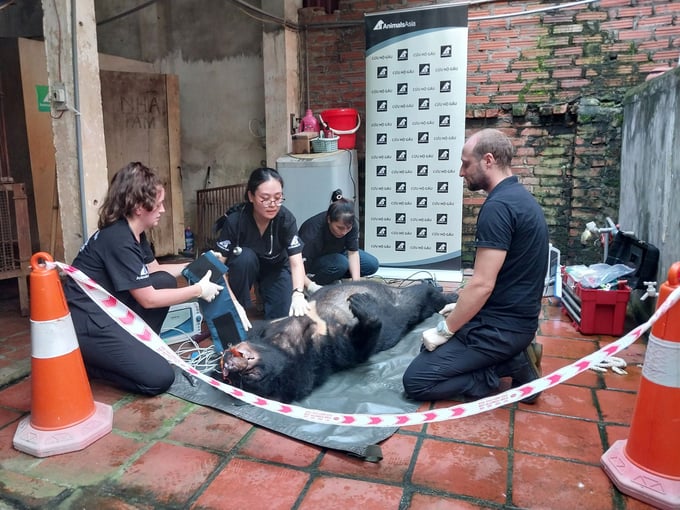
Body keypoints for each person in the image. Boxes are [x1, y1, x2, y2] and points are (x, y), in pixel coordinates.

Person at [402, 128, 549, 403]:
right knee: (428, 350)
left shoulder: (499, 207)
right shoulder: (521, 199)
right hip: (514, 322)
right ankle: (510, 357)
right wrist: (459, 308)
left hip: (501, 330)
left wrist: (445, 330)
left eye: (466, 163)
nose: (461, 172)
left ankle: (510, 364)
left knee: (417, 381)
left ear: (488, 160)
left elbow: (482, 284)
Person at [64, 162, 224, 396]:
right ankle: (91, 366)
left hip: (109, 310)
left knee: (163, 281)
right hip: (89, 322)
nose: (162, 210)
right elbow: (148, 299)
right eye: (158, 204)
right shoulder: (118, 238)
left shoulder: (135, 233)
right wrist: (198, 290)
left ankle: (139, 349)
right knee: (160, 378)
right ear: (139, 206)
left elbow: (155, 271)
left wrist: (198, 264)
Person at [214, 167, 309, 319]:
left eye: (278, 198)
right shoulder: (236, 221)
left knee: (282, 317)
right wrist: (232, 303)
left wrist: (298, 293)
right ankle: (237, 310)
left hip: (275, 268)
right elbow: (218, 266)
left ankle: (265, 293)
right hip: (245, 268)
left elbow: (296, 262)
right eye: (265, 198)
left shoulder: (285, 219)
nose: (272, 204)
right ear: (251, 196)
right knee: (244, 258)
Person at [298, 190, 379, 294]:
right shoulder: (311, 232)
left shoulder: (351, 224)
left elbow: (353, 253)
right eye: (340, 228)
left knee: (371, 264)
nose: (344, 232)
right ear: (329, 220)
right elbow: (296, 265)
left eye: (347, 228)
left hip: (338, 254)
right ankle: (318, 282)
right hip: (313, 262)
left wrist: (356, 286)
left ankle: (335, 276)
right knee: (341, 263)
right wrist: (310, 286)